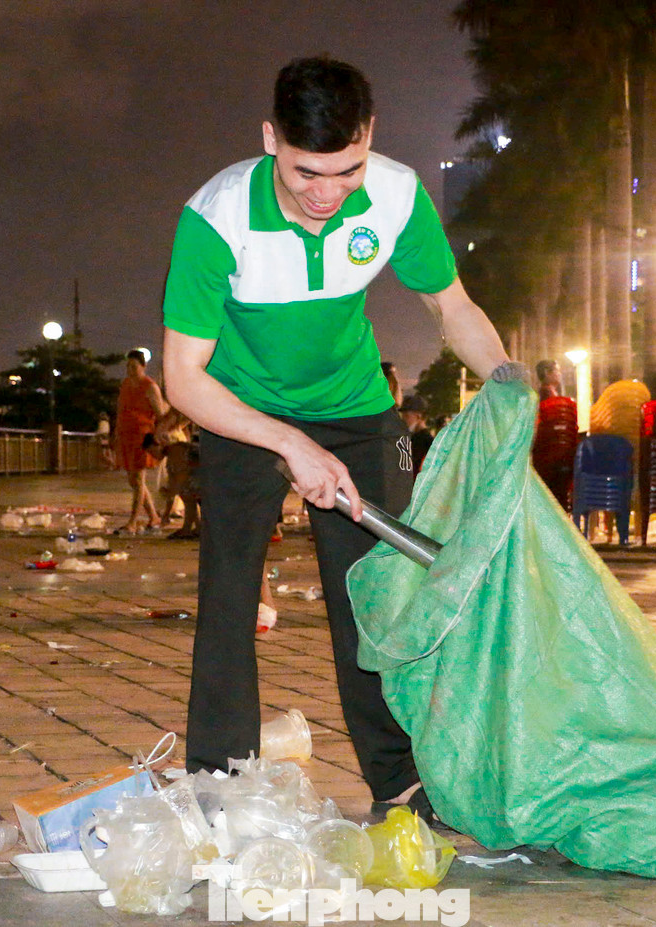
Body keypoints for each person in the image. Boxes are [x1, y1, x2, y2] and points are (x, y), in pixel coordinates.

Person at [162, 56, 513, 822]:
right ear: (270, 141)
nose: (325, 194)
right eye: (304, 173)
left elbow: (450, 306)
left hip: (355, 410)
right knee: (229, 593)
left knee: (376, 598)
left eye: (345, 170)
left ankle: (401, 782)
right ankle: (220, 790)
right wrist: (287, 443)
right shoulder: (216, 217)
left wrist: (509, 376)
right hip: (241, 410)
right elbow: (184, 379)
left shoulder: (393, 193)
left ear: (370, 140)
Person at [115, 348, 168, 535]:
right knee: (134, 480)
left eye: (134, 366)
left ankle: (132, 522)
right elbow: (120, 411)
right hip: (126, 436)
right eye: (128, 366)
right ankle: (153, 517)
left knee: (138, 480)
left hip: (142, 436)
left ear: (143, 366)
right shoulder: (125, 384)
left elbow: (160, 414)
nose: (130, 369)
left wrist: (160, 436)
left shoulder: (150, 386)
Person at [532, 359, 575, 505]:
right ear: (547, 373)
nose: (559, 374)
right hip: (551, 452)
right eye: (557, 371)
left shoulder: (546, 393)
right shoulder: (548, 396)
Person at [397, 394, 433, 475]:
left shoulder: (428, 442)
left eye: (406, 416)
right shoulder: (409, 438)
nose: (403, 419)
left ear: (418, 416)